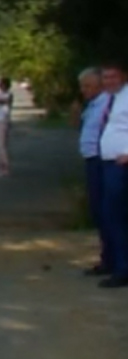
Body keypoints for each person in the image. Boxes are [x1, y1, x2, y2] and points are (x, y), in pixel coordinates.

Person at [77, 68, 112, 275]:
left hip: (102, 160)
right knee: (98, 212)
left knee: (108, 212)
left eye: (88, 86)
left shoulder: (108, 103)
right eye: (82, 86)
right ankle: (107, 257)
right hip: (92, 159)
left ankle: (115, 260)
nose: (84, 90)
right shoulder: (92, 105)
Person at [98, 64, 128, 289]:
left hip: (121, 165)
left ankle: (123, 269)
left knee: (117, 216)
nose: (109, 80)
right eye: (105, 77)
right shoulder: (112, 98)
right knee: (109, 215)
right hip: (107, 162)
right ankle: (114, 263)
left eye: (113, 76)